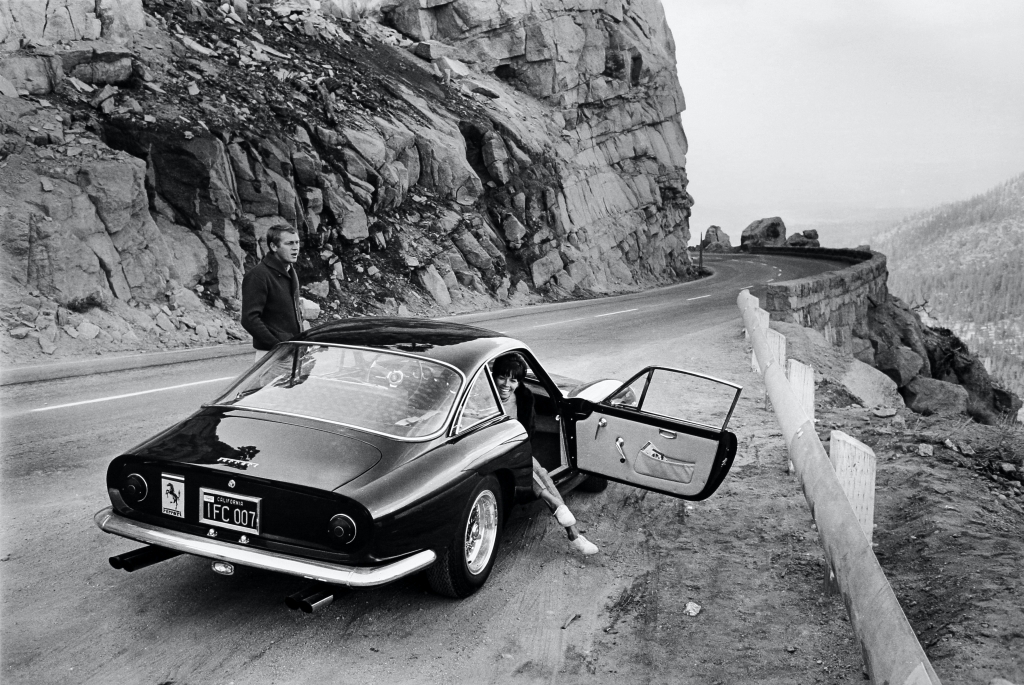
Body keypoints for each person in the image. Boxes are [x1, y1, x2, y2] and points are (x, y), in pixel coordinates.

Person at [492, 353, 599, 556]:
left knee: (539, 471)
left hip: (514, 451)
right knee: (531, 467)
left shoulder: (523, 398)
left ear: (519, 382)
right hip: (490, 454)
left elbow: (527, 433)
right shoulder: (484, 398)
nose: (506, 384)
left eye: (513, 380)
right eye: (502, 377)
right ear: (493, 376)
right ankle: (570, 528)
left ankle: (571, 529)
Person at [241, 225, 302, 364]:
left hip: (292, 352)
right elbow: (249, 319)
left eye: (297, 242)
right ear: (274, 247)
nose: (295, 247)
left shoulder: (290, 271)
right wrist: (277, 347)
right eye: (289, 243)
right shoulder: (258, 275)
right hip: (272, 356)